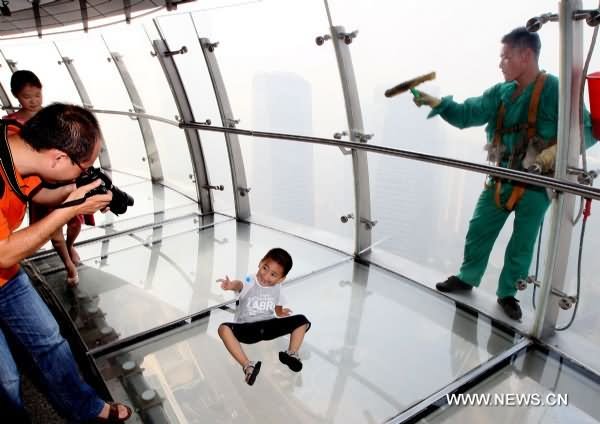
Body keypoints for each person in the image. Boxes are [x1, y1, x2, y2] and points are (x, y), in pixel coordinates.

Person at [413, 27, 597, 321]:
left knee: (523, 242)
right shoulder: (500, 93)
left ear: (525, 56)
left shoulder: (556, 90)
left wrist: (556, 151)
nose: (501, 64)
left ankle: (508, 294)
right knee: (479, 228)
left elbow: (586, 131)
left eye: (506, 57)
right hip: (501, 178)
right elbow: (466, 114)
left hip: (536, 183)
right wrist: (438, 104)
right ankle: (467, 277)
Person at [0, 103, 132, 422]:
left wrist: (80, 191)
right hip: (4, 259)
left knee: (50, 339)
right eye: (82, 166)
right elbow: (3, 252)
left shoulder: (18, 139)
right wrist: (71, 209)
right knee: (7, 380)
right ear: (59, 157)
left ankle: (87, 409)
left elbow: (32, 191)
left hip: (6, 278)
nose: (84, 171)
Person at [4, 70, 90, 288]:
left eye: (37, 95)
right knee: (53, 227)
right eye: (27, 96)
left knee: (73, 221)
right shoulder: (9, 126)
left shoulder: (53, 120)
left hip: (59, 180)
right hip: (36, 183)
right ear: (16, 96)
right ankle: (68, 264)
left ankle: (70, 246)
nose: (33, 101)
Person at [217, 247, 311, 386]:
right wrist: (231, 285)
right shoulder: (251, 279)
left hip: (269, 326)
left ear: (281, 279)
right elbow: (240, 284)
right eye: (265, 268)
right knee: (223, 329)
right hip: (247, 328)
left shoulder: (278, 288)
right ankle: (248, 366)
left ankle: (291, 353)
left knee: (302, 320)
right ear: (260, 263)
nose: (266, 276)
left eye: (273, 275)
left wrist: (281, 313)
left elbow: (278, 308)